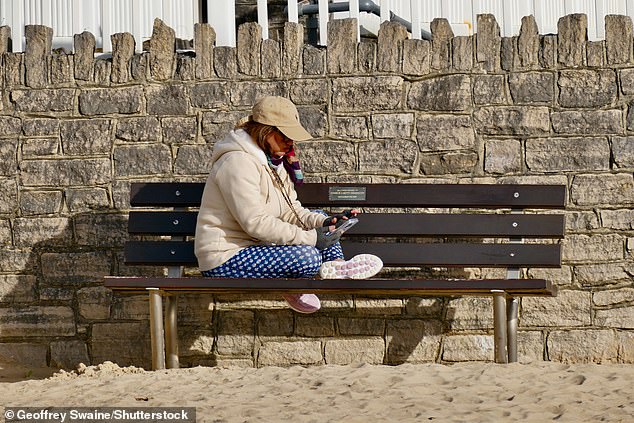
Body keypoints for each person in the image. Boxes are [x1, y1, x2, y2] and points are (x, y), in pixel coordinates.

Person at [194, 96, 383, 314]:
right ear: (265, 131)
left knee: (319, 215)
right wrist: (313, 238)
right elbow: (255, 224)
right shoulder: (237, 163)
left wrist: (325, 222)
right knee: (307, 258)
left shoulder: (274, 163)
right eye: (285, 136)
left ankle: (337, 266)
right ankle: (295, 279)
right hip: (224, 259)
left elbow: (290, 210)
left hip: (259, 248)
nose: (290, 143)